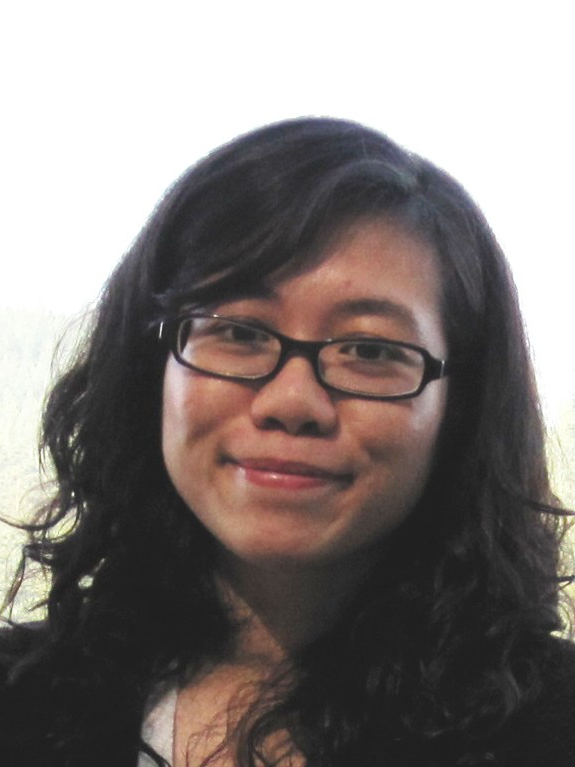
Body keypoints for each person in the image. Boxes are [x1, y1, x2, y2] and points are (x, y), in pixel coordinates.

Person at [0, 117, 574, 767]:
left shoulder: (552, 728)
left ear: (461, 408)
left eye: (369, 350)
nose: (291, 402)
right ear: (149, 369)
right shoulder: (23, 706)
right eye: (238, 332)